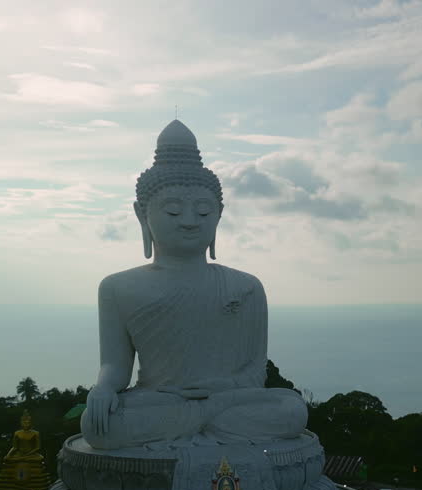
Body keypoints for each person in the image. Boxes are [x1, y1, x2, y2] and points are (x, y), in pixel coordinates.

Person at [81, 120, 308, 450]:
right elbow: (116, 367)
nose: (189, 221)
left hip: (225, 400)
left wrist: (219, 389)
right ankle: (208, 428)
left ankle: (198, 424)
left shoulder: (246, 286)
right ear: (141, 215)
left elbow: (254, 372)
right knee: (97, 424)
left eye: (203, 212)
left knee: (290, 409)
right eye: (173, 211)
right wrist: (103, 389)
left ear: (219, 215)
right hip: (157, 401)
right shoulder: (118, 288)